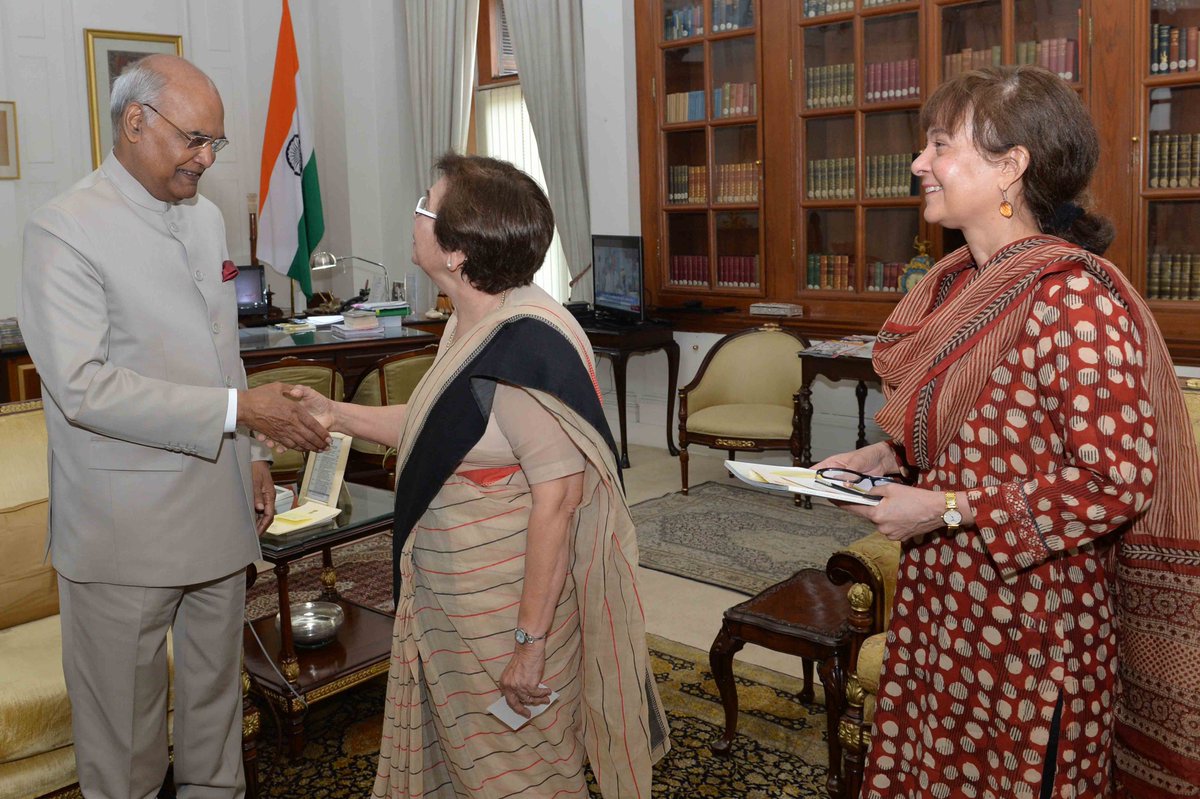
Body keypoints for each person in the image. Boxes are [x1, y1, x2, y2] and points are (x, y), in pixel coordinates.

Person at [815, 66, 1200, 798]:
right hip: (943, 601)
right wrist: (888, 456)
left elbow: (1115, 482)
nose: (918, 163)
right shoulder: (957, 286)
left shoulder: (1075, 298)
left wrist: (947, 508)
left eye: (938, 144)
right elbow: (981, 426)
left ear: (1011, 166)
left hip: (1032, 625)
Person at [286, 153, 670, 797]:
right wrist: (334, 413)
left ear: (459, 252)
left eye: (424, 206)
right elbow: (436, 423)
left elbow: (560, 501)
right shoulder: (473, 319)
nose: (413, 215)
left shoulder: (523, 349)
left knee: (521, 776)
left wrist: (528, 644)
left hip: (505, 613)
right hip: (453, 601)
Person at [19, 54, 328, 797]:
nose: (206, 158)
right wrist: (237, 413)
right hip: (124, 534)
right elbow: (84, 387)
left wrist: (251, 451)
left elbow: (222, 350)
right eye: (196, 138)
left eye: (215, 144)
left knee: (217, 724)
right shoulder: (63, 230)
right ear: (135, 123)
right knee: (124, 749)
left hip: (218, 515)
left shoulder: (209, 217)